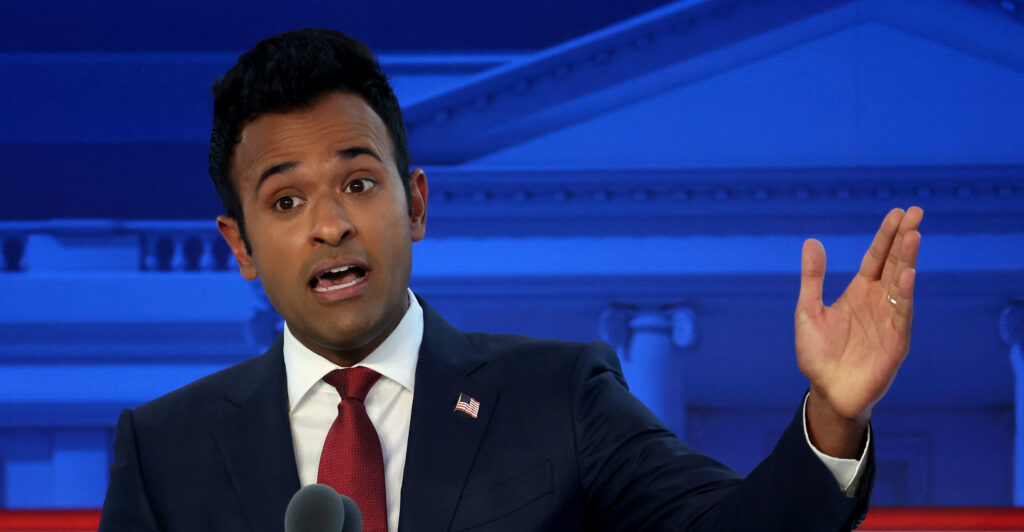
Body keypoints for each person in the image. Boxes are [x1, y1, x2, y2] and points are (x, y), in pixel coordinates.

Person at [98, 28, 922, 531]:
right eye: (286, 200)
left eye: (358, 183)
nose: (330, 224)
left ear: (414, 203)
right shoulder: (166, 452)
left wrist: (834, 417)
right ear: (239, 246)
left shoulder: (560, 396)